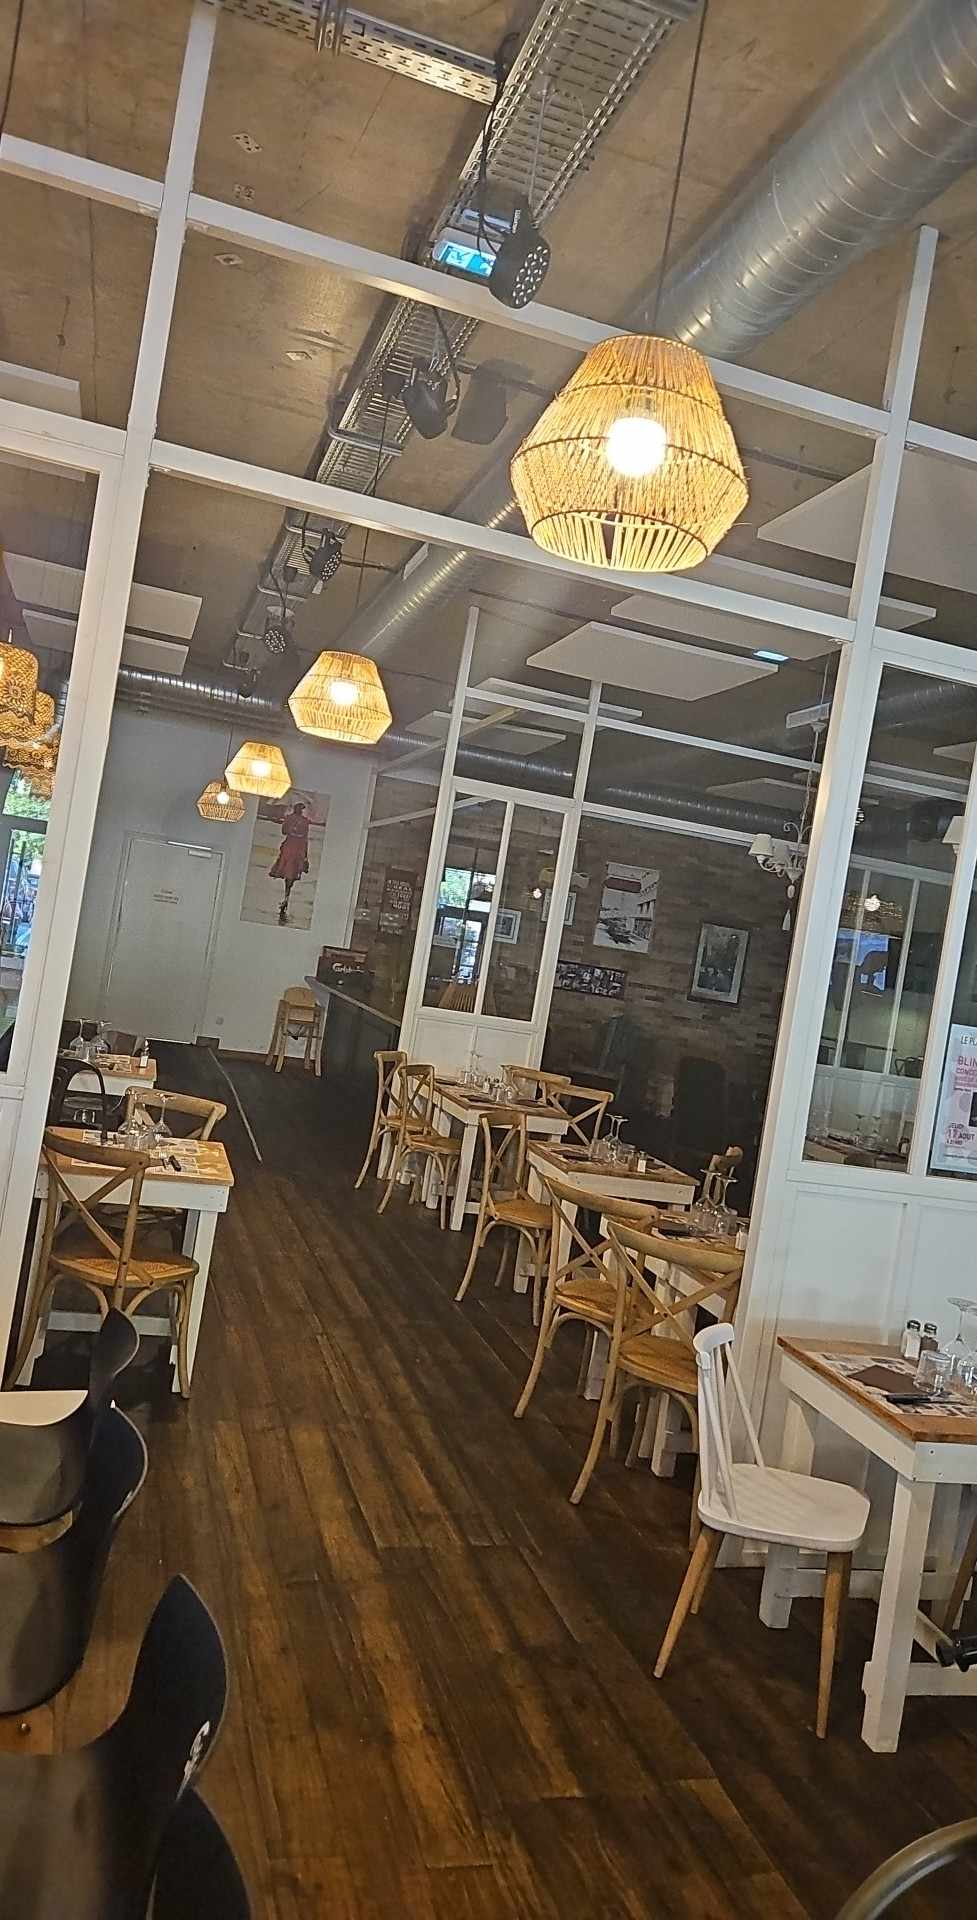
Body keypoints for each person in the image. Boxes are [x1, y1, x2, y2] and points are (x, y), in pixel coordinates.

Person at [269, 801, 310, 923]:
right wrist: (305, 855)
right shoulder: (303, 821)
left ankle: (286, 897)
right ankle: (286, 896)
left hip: (293, 846)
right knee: (291, 872)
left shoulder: (292, 819)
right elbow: (304, 838)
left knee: (290, 871)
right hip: (296, 847)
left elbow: (284, 831)